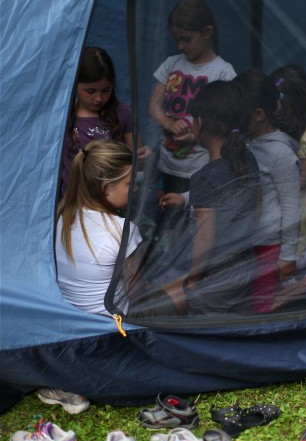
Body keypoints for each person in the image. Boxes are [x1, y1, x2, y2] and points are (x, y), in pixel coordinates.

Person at [45, 140, 142, 414]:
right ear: (105, 188)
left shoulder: (60, 216)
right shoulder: (122, 230)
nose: (135, 188)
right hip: (111, 334)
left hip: (68, 333)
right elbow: (139, 292)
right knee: (182, 291)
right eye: (129, 183)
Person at [158, 80, 260, 315]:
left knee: (160, 309)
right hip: (246, 267)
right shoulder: (247, 159)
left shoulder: (206, 176)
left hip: (216, 277)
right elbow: (256, 203)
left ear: (200, 122)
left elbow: (205, 235)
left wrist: (194, 280)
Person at [148, 0, 236, 197]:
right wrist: (168, 123)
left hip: (200, 165)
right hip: (167, 164)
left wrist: (196, 136)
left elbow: (227, 123)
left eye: (186, 39)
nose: (180, 46)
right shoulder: (171, 64)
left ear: (207, 32)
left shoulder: (223, 73)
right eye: (176, 39)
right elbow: (154, 105)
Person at [234, 70, 301, 313]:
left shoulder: (281, 154)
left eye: (239, 116)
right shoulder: (246, 142)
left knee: (261, 304)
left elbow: (292, 206)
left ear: (259, 114)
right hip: (244, 239)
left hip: (268, 244)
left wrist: (288, 255)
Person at [61, 46, 148, 195]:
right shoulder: (63, 116)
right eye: (90, 91)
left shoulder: (122, 112)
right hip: (76, 198)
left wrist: (144, 156)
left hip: (113, 197)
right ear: (74, 85)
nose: (99, 98)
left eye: (106, 90)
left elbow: (136, 157)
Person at [270, 64, 306, 254]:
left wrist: (277, 186)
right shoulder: (281, 128)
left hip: (297, 201)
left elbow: (305, 179)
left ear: (292, 103)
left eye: (276, 99)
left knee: (293, 237)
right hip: (282, 196)